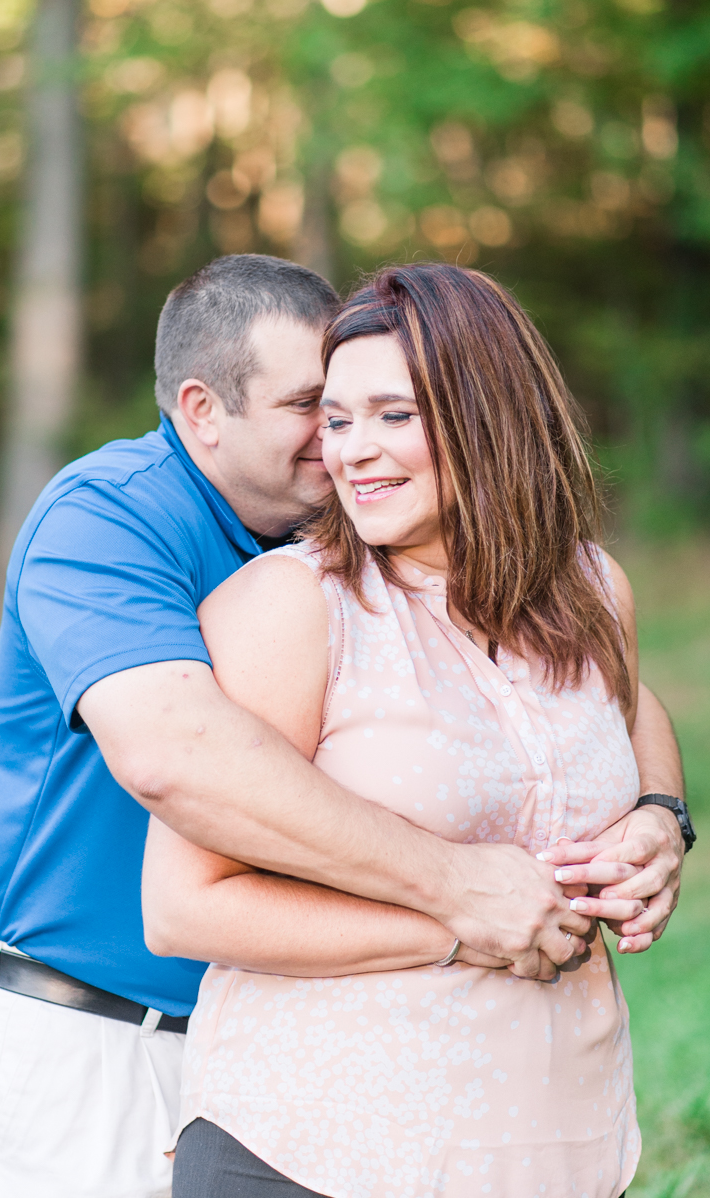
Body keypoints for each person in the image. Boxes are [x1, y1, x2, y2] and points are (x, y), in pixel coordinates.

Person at [0, 255, 684, 1198]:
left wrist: (658, 810)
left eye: (374, 412)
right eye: (315, 410)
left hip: (265, 1031)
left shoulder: (345, 524)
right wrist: (456, 893)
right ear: (203, 411)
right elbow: (181, 759)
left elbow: (603, 695)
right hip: (88, 1041)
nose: (343, 444)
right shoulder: (109, 522)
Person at [142, 262, 696, 1198]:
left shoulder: (591, 588)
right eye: (338, 418)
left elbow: (632, 711)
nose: (353, 450)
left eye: (395, 416)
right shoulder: (297, 606)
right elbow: (184, 907)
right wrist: (452, 925)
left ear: (489, 417)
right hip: (316, 1153)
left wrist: (659, 815)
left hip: (560, 1150)